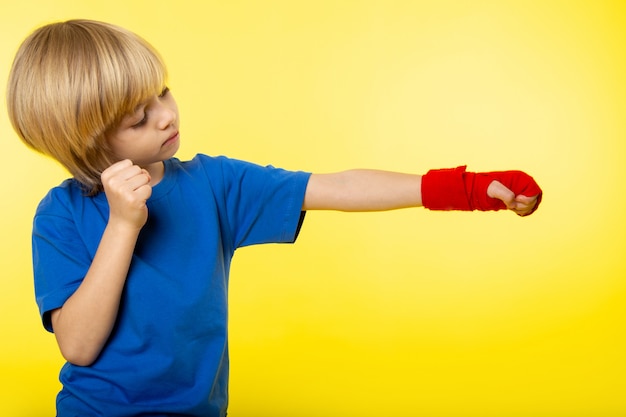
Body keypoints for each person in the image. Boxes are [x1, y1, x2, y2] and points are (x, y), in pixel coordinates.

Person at [6, 19, 542, 417]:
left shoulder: (213, 184)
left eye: (163, 91)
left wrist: (466, 188)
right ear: (88, 139)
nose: (167, 114)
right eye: (141, 116)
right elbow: (77, 345)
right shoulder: (60, 215)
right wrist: (123, 225)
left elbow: (336, 186)